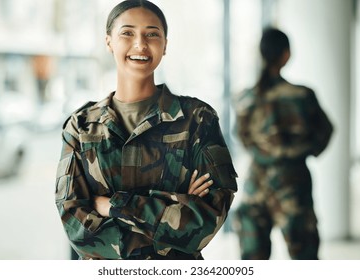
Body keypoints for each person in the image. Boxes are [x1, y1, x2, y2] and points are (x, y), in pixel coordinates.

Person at [54, 0, 238, 260]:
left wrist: (111, 206)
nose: (140, 44)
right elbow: (77, 228)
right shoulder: (81, 126)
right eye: (127, 33)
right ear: (109, 42)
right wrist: (176, 203)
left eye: (152, 34)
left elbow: (204, 223)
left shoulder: (196, 119)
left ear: (165, 45)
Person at [233, 27, 333, 260]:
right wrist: (304, 151)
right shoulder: (302, 96)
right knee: (304, 260)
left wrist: (264, 153)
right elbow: (325, 131)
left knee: (252, 262)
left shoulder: (244, 99)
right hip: (294, 183)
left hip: (256, 184)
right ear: (286, 55)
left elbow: (242, 137)